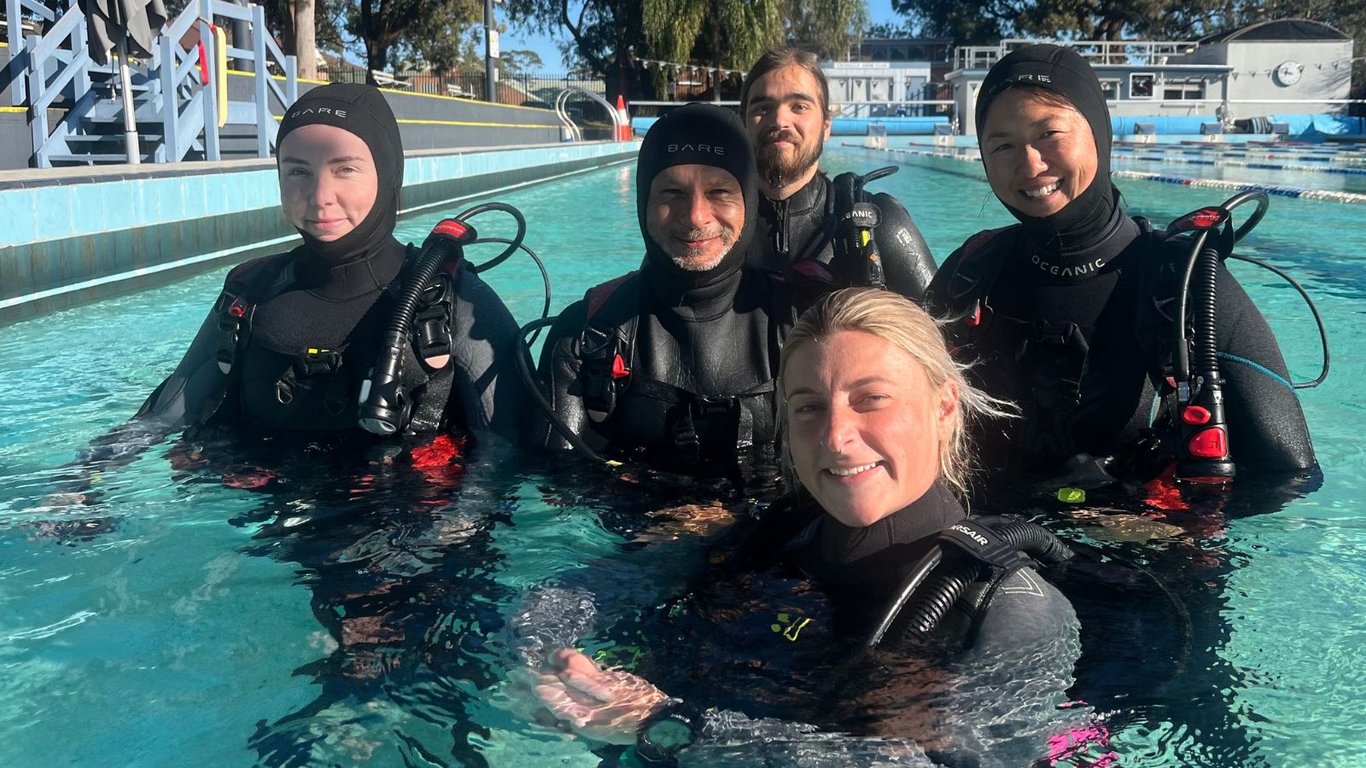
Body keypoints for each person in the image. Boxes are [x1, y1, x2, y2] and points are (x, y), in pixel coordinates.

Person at [527, 289, 1088, 767]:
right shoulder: (772, 536)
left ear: (943, 409)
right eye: (809, 407)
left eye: (871, 400)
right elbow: (571, 592)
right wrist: (544, 663)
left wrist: (667, 726)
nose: (836, 436)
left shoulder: (1014, 612)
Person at [925, 44, 1316, 493]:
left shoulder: (1184, 283)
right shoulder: (973, 270)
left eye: (1049, 133)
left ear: (1099, 132)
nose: (1030, 164)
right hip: (984, 527)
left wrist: (1145, 521)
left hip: (1135, 533)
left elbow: (1291, 478)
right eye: (1003, 145)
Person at [79, 84, 525, 468]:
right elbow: (164, 415)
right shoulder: (250, 290)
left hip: (405, 527)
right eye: (298, 171)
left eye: (345, 169)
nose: (319, 196)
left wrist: (451, 527)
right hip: (260, 521)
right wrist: (82, 481)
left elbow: (508, 450)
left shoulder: (446, 299)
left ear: (389, 175)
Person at [531, 103, 791, 483]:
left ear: (749, 202)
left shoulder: (799, 323)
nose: (696, 216)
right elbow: (556, 489)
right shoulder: (585, 336)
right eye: (672, 192)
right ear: (644, 202)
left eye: (719, 191)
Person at [740, 48, 936, 302]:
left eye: (799, 106)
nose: (779, 120)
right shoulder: (714, 225)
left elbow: (940, 323)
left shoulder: (881, 222)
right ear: (742, 124)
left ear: (826, 125)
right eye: (763, 108)